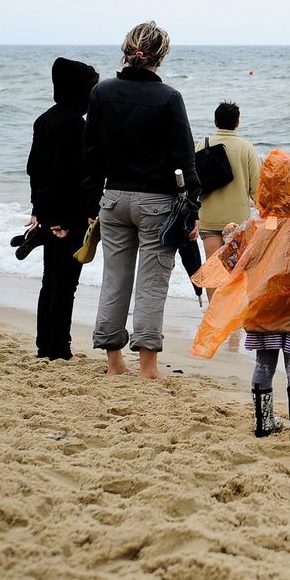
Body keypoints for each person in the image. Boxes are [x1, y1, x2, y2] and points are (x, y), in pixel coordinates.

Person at [190, 149, 290, 436]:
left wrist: (233, 233)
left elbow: (231, 259)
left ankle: (264, 421)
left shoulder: (255, 226)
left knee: (263, 364)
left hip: (261, 313)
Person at [82, 21, 200, 379]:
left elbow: (91, 153)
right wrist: (192, 206)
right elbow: (185, 157)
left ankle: (114, 363)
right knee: (151, 283)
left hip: (114, 197)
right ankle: (148, 367)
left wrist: (92, 204)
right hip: (157, 203)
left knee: (114, 278)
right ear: (160, 56)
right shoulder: (168, 98)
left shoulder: (101, 93)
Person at [25, 57, 99, 361]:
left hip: (49, 212)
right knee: (64, 285)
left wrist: (39, 211)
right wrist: (63, 219)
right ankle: (59, 350)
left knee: (50, 282)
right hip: (66, 216)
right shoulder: (73, 123)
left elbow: (35, 170)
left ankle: (47, 346)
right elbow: (67, 175)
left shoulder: (45, 119)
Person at [195, 101, 262, 296]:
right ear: (237, 122)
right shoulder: (246, 148)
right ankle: (233, 316)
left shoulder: (201, 145)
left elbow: (194, 183)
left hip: (209, 218)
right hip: (238, 221)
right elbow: (257, 189)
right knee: (237, 271)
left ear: (215, 121)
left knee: (212, 267)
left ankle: (214, 316)